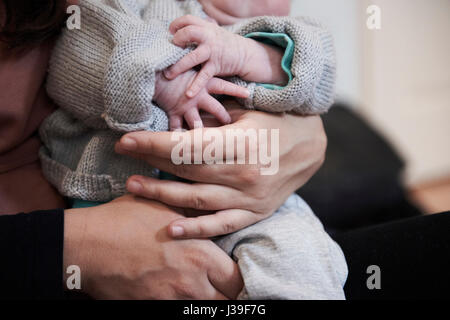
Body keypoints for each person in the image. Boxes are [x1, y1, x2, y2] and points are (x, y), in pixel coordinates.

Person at [1, 0, 449, 300]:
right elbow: (77, 61)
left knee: (303, 259)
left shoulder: (260, 32)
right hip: (121, 202)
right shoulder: (135, 11)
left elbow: (317, 74)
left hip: (255, 211)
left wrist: (255, 59)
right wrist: (164, 84)